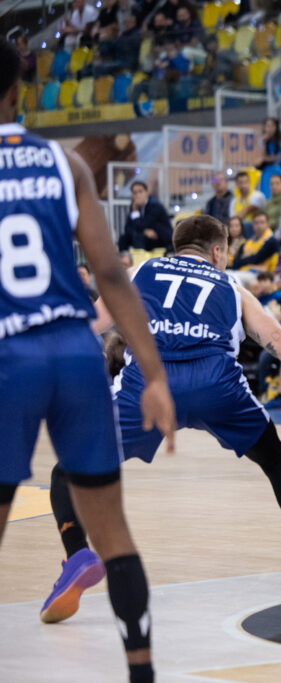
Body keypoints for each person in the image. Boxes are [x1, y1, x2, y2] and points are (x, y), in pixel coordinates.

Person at [54, 215, 281, 609]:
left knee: (69, 469)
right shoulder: (232, 287)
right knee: (277, 463)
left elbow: (90, 325)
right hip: (215, 383)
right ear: (218, 251)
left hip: (149, 383)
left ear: (178, 247)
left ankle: (77, 555)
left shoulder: (143, 270)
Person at [0, 45, 174, 682]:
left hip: (7, 355)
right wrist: (153, 375)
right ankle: (142, 673)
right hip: (76, 353)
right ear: (19, 91)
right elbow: (109, 271)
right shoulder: (63, 160)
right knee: (114, 533)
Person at [119, 180, 173, 251]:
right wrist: (144, 231)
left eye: (140, 192)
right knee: (123, 238)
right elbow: (127, 228)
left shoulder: (155, 205)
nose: (138, 195)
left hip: (160, 238)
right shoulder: (134, 207)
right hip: (145, 236)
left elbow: (144, 224)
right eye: (135, 193)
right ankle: (125, 259)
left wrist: (135, 212)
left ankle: (140, 260)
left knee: (139, 237)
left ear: (147, 192)